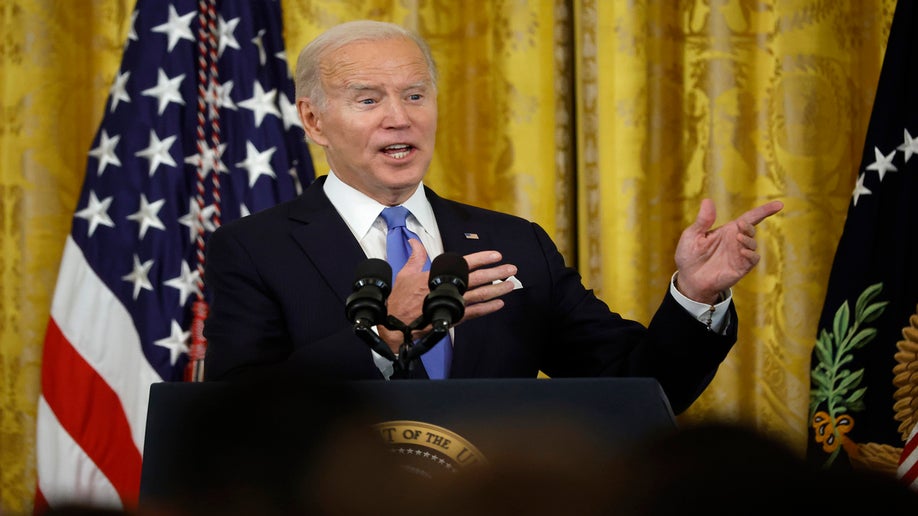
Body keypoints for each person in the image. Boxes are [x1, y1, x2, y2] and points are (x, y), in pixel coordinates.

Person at [201, 20, 783, 415]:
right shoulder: (254, 248)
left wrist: (694, 296)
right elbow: (236, 414)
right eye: (369, 99)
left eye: (415, 94)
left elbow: (642, 388)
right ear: (315, 120)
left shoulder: (515, 242)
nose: (400, 119)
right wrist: (383, 333)